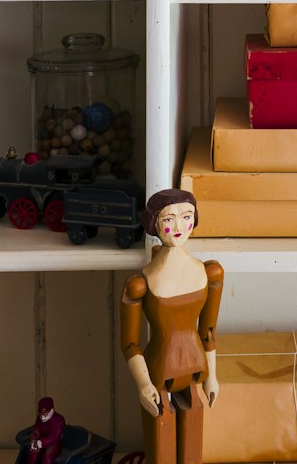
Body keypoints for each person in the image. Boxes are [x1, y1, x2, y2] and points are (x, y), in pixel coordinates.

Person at [119, 189, 223, 464]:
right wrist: (143, 384)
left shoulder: (209, 273)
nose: (178, 226)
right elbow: (130, 344)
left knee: (192, 439)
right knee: (162, 440)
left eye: (186, 217)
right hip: (159, 372)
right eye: (169, 219)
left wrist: (212, 376)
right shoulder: (140, 284)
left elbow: (208, 332)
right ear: (154, 223)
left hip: (194, 368)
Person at [27, 396, 65, 464]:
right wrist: (33, 440)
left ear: (51, 410)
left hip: (54, 443)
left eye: (45, 415)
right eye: (40, 415)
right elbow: (36, 431)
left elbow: (54, 438)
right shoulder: (39, 419)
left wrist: (40, 443)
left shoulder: (59, 420)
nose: (42, 418)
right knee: (33, 455)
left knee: (47, 457)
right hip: (41, 440)